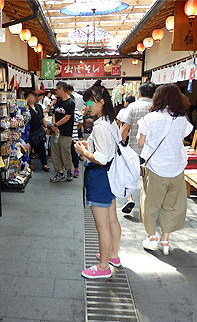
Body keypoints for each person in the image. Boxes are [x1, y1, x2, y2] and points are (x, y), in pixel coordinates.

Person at [137, 84, 193, 256]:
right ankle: (165, 240)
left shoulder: (150, 118)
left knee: (150, 203)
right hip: (176, 167)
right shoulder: (182, 118)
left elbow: (140, 141)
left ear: (158, 97)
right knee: (172, 205)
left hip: (156, 168)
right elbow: (182, 138)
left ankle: (152, 238)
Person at [74, 81, 122, 279]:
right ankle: (112, 255)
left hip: (100, 177)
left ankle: (103, 267)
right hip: (110, 176)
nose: (88, 106)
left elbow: (101, 159)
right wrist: (90, 146)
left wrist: (84, 151)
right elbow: (108, 151)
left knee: (102, 225)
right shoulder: (111, 121)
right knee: (111, 219)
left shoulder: (100, 126)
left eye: (91, 102)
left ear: (101, 102)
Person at [119, 83, 155, 214]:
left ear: (139, 93)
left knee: (129, 175)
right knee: (149, 177)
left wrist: (121, 144)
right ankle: (147, 202)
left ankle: (129, 198)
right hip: (153, 151)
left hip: (134, 148)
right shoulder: (158, 108)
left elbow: (125, 128)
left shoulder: (133, 106)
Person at [50, 81, 75, 182]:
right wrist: (53, 126)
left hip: (66, 133)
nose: (56, 92)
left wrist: (56, 125)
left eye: (56, 89)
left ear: (61, 89)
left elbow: (67, 117)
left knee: (66, 153)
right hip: (55, 133)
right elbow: (54, 114)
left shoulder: (70, 102)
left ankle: (69, 170)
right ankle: (60, 172)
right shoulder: (58, 101)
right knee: (55, 153)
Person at [26, 90, 50, 172]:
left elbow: (42, 117)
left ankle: (44, 164)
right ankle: (29, 164)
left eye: (32, 96)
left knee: (41, 147)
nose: (31, 98)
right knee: (29, 148)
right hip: (30, 131)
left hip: (39, 130)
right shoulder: (26, 108)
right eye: (29, 96)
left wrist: (46, 127)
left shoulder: (38, 106)